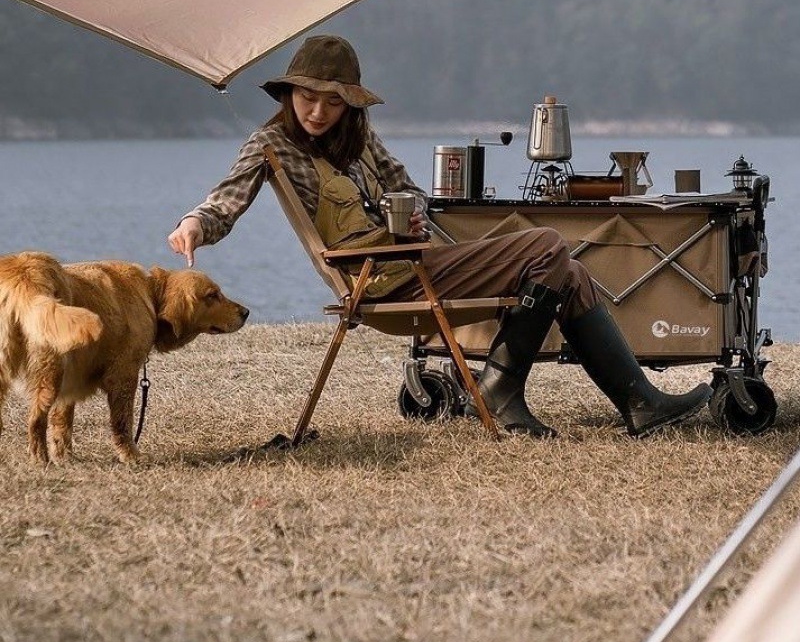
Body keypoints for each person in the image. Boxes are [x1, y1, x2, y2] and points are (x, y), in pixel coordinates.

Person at [168, 34, 711, 439]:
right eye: (308, 97)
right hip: (378, 281)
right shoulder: (271, 144)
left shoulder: (359, 139)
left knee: (567, 270)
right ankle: (503, 389)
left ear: (348, 104)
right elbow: (226, 199)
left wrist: (411, 213)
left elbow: (407, 188)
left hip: (415, 262)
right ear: (289, 95)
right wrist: (195, 224)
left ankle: (639, 403)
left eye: (332, 102)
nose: (318, 111)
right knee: (547, 244)